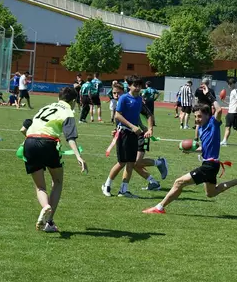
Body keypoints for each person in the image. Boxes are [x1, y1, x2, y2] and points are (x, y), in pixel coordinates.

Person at [143, 100, 237, 215]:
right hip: (211, 165)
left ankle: (159, 207)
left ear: (208, 115)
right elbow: (204, 148)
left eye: (199, 116)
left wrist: (211, 97)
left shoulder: (213, 123)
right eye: (195, 116)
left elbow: (219, 110)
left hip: (210, 165)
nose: (197, 119)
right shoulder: (200, 128)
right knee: (211, 193)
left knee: (179, 182)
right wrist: (191, 150)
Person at [23, 86, 87, 232]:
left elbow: (25, 128)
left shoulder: (46, 107)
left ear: (59, 98)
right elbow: (70, 137)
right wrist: (78, 156)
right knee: (57, 181)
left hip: (29, 141)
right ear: (73, 101)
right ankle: (49, 222)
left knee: (40, 186)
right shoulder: (68, 111)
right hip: (48, 142)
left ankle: (45, 206)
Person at [101, 75, 150, 198]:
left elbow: (136, 115)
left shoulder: (139, 99)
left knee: (131, 163)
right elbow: (118, 115)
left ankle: (123, 190)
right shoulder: (124, 98)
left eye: (139, 86)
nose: (137, 88)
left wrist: (142, 126)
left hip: (134, 134)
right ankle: (106, 185)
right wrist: (132, 126)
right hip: (124, 133)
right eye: (135, 85)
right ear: (129, 86)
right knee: (121, 162)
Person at [132, 90, 169, 191]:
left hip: (142, 135)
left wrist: (149, 129)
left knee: (136, 162)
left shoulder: (138, 103)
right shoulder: (126, 103)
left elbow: (149, 115)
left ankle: (159, 162)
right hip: (132, 135)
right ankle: (153, 182)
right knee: (133, 163)